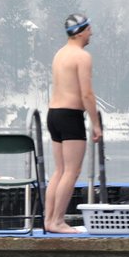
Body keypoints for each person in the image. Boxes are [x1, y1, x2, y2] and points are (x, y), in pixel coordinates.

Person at [45, 13, 102, 233]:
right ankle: (58, 221)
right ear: (79, 31)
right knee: (72, 171)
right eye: (89, 29)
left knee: (59, 170)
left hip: (54, 114)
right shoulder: (81, 56)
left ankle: (49, 220)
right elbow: (87, 93)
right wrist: (95, 124)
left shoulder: (59, 54)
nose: (92, 33)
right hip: (70, 116)